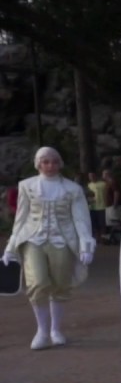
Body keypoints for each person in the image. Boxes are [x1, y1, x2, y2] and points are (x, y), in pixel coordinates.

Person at [1, 147, 94, 350]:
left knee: (60, 284)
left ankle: (56, 329)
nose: (49, 166)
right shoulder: (27, 186)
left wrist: (86, 245)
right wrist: (10, 247)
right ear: (38, 164)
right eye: (45, 162)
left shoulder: (72, 189)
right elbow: (21, 218)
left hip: (62, 240)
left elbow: (80, 219)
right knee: (37, 283)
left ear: (59, 163)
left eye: (53, 161)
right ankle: (42, 331)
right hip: (33, 239)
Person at [86, 168, 107, 241]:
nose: (90, 178)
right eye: (89, 176)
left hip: (101, 206)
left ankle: (103, 238)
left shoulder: (103, 184)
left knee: (102, 223)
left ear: (95, 176)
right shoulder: (89, 185)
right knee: (94, 224)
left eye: (92, 176)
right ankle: (97, 238)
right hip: (92, 207)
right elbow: (88, 195)